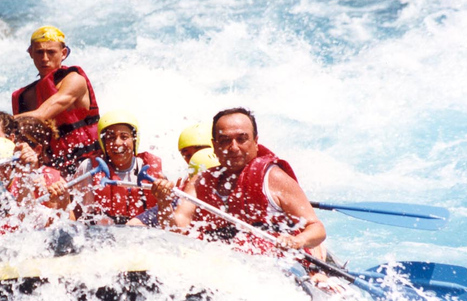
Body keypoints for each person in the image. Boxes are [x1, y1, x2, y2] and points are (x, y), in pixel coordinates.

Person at [153, 108, 326, 256]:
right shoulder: (200, 182)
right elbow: (176, 230)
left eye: (241, 139)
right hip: (220, 265)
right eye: (225, 141)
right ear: (215, 145)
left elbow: (317, 228)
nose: (234, 147)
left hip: (271, 265)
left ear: (255, 142)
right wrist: (163, 202)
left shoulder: (274, 178)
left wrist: (297, 240)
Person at [12, 26, 100, 176]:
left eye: (51, 52)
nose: (45, 58)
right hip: (52, 170)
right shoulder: (23, 97)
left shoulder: (75, 80)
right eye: (39, 52)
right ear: (30, 53)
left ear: (63, 53)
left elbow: (41, 114)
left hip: (90, 165)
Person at [71, 110, 165, 225]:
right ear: (103, 142)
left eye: (124, 137)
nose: (117, 143)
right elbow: (76, 214)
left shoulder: (150, 169)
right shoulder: (89, 168)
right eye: (111, 137)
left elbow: (163, 216)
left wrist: (165, 197)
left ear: (134, 140)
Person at [127, 122, 219, 227]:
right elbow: (134, 224)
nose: (194, 158)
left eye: (199, 150)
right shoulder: (182, 190)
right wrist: (164, 201)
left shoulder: (233, 177)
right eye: (187, 155)